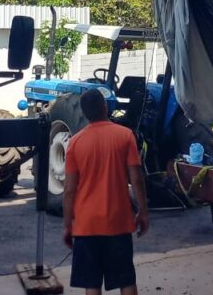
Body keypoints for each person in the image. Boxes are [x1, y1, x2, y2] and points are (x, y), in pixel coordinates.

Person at [62, 88, 149, 295]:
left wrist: (68, 225)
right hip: (118, 222)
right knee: (126, 279)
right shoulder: (125, 136)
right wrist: (143, 212)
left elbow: (69, 190)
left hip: (86, 225)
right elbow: (137, 178)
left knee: (91, 284)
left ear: (83, 113)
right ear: (105, 107)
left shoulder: (75, 143)